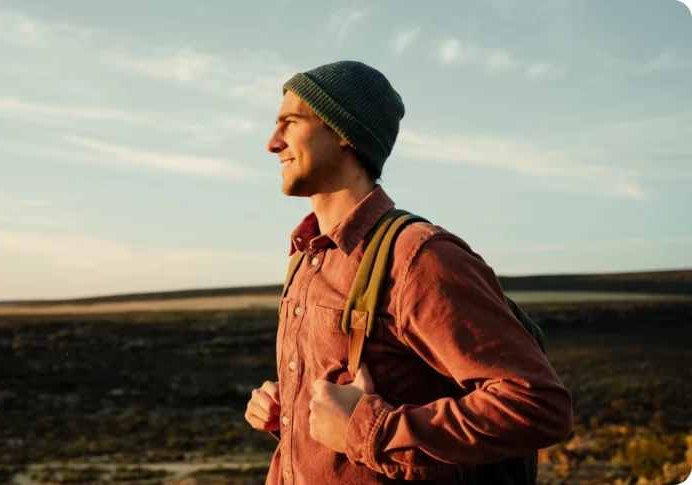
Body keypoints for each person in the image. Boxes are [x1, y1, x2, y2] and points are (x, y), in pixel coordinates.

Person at [244, 60, 573, 484]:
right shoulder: (306, 257)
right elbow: (345, 410)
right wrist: (286, 410)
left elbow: (539, 407)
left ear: (344, 132)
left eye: (290, 122)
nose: (272, 143)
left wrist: (366, 431)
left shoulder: (418, 257)